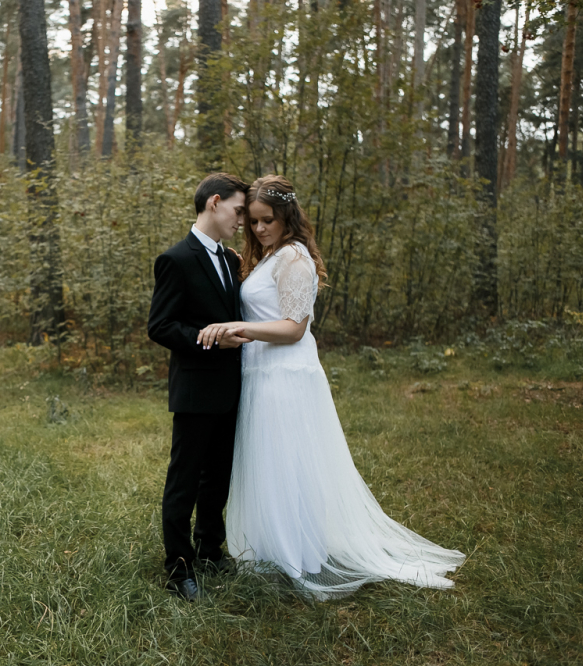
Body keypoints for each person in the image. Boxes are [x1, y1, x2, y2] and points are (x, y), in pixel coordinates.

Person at [197, 175, 465, 600]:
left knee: (288, 466)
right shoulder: (270, 256)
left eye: (268, 220)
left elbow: (294, 328)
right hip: (262, 374)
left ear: (287, 217)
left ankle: (297, 555)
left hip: (285, 375)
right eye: (254, 221)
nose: (260, 228)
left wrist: (237, 327)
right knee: (270, 464)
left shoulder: (293, 258)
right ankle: (272, 549)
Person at [147, 173, 249, 602]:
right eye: (238, 211)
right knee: (184, 480)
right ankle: (178, 567)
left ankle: (210, 550)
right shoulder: (176, 259)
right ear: (214, 202)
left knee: (218, 477)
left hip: (230, 388)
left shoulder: (231, 260)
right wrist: (208, 339)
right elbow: (160, 325)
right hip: (193, 389)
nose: (242, 221)